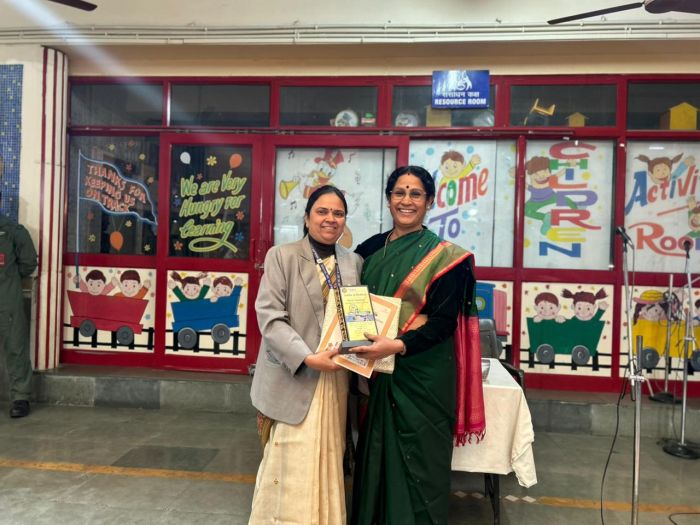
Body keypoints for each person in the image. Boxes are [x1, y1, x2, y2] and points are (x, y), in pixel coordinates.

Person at [350, 166, 485, 525]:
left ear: (429, 201)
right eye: (399, 192)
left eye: (415, 194)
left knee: (420, 465)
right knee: (375, 455)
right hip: (377, 371)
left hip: (423, 375)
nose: (406, 200)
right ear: (388, 199)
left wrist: (396, 344)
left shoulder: (446, 259)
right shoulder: (368, 250)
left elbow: (442, 324)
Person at [249, 185, 363, 524]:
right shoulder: (281, 256)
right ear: (307, 217)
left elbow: (358, 317)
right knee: (289, 460)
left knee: (328, 456)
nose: (330, 219)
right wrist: (307, 358)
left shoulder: (354, 262)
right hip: (294, 374)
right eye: (322, 211)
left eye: (338, 213)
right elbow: (270, 318)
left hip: (336, 378)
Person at [0, 203, 38, 418]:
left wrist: (10, 281)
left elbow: (28, 263)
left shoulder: (13, 231)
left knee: (16, 346)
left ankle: (20, 397)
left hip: (6, 298)